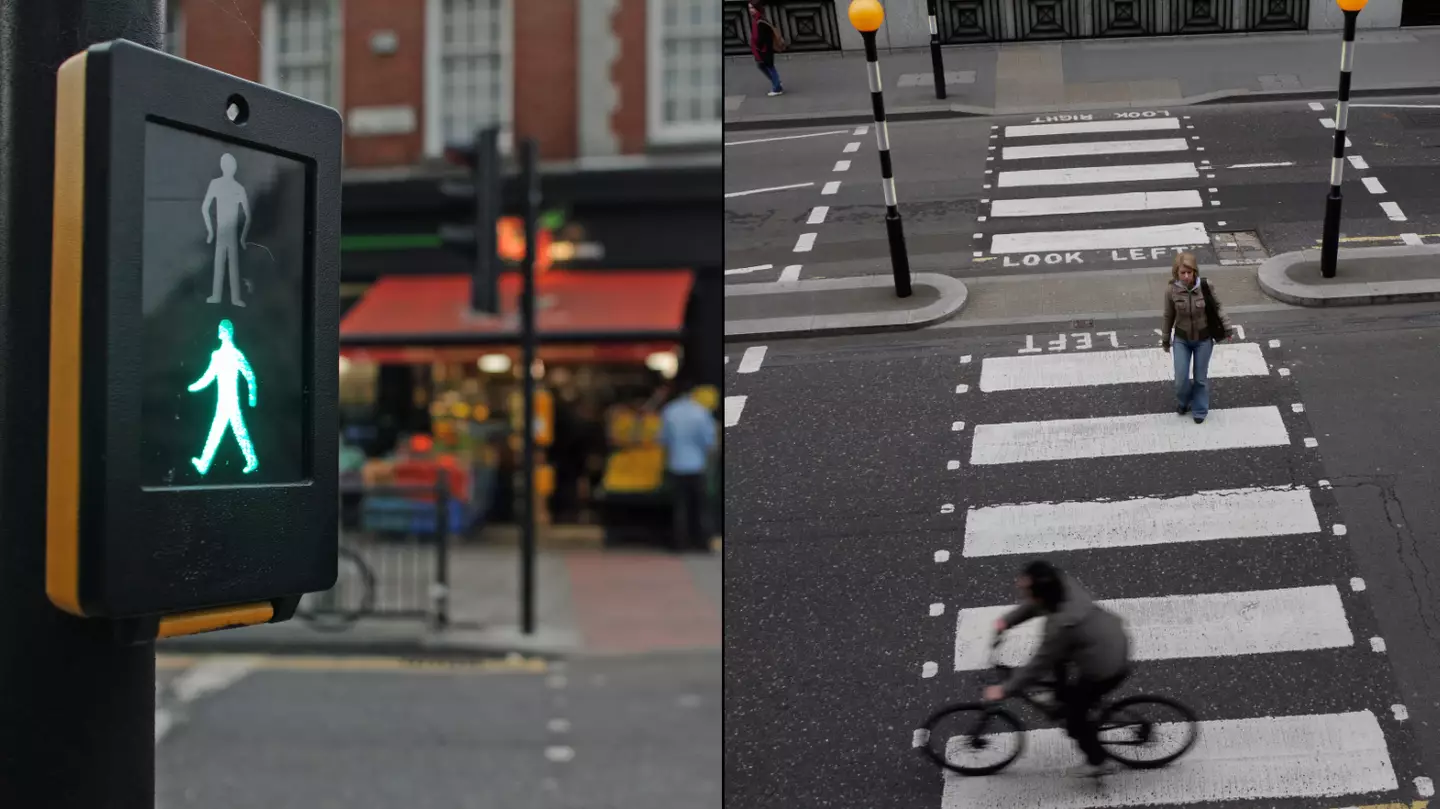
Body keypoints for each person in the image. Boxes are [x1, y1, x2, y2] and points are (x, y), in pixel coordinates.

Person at [984, 561, 1130, 778]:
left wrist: (1005, 689)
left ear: (1041, 593)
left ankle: (1098, 762)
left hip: (1104, 666)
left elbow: (1038, 665)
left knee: (1075, 722)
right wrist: (1006, 622)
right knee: (1060, 675)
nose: (1020, 589)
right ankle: (1061, 697)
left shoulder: (1062, 627)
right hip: (1104, 639)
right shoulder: (1062, 585)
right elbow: (1036, 604)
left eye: (1026, 589)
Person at [1162, 252, 1235, 424]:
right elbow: (1168, 315)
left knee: (1200, 378)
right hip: (1181, 339)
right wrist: (1165, 339)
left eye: (1190, 272)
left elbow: (1217, 307)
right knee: (1180, 379)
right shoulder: (1171, 290)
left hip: (1203, 339)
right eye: (1183, 273)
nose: (1187, 276)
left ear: (1195, 271)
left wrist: (1227, 328)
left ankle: (1200, 409)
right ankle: (1184, 401)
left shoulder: (1205, 286)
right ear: (1176, 273)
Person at [658, 380, 718, 552]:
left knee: (680, 507)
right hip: (697, 465)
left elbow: (663, 439)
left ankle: (680, 543)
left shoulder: (669, 411)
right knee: (700, 506)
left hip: (676, 464)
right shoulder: (700, 412)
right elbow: (709, 441)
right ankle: (702, 542)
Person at [748, 0, 785, 97]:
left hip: (764, 50)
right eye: (749, 8)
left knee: (769, 67)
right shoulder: (758, 20)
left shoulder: (760, 21)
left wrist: (759, 48)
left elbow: (761, 38)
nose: (750, 10)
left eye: (752, 8)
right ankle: (777, 82)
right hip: (763, 49)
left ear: (757, 8)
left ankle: (777, 87)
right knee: (764, 66)